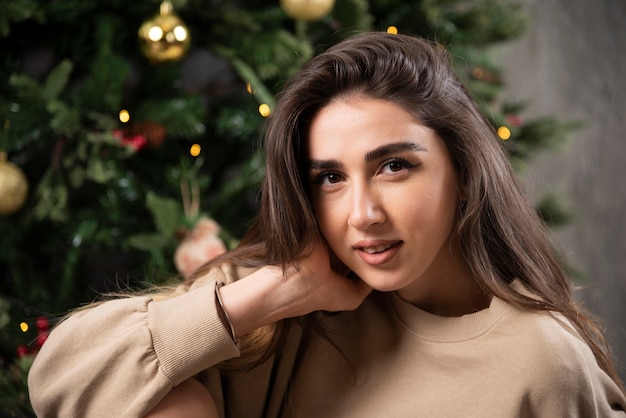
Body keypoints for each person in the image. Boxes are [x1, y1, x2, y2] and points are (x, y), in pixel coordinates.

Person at [28, 32, 625, 417]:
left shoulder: (540, 363)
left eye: (394, 166)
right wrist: (274, 292)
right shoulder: (276, 312)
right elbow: (60, 379)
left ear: (463, 171)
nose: (363, 214)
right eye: (330, 178)